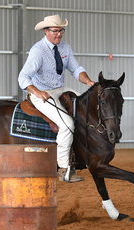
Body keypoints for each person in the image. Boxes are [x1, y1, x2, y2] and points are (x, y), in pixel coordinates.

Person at [18, 15, 95, 183]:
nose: (58, 34)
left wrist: (88, 81)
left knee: (84, 110)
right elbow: (23, 77)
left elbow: (75, 69)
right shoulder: (38, 51)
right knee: (67, 124)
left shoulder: (65, 47)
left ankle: (81, 156)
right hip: (42, 94)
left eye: (61, 31)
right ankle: (64, 168)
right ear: (46, 31)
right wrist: (37, 92)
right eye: (55, 31)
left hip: (60, 89)